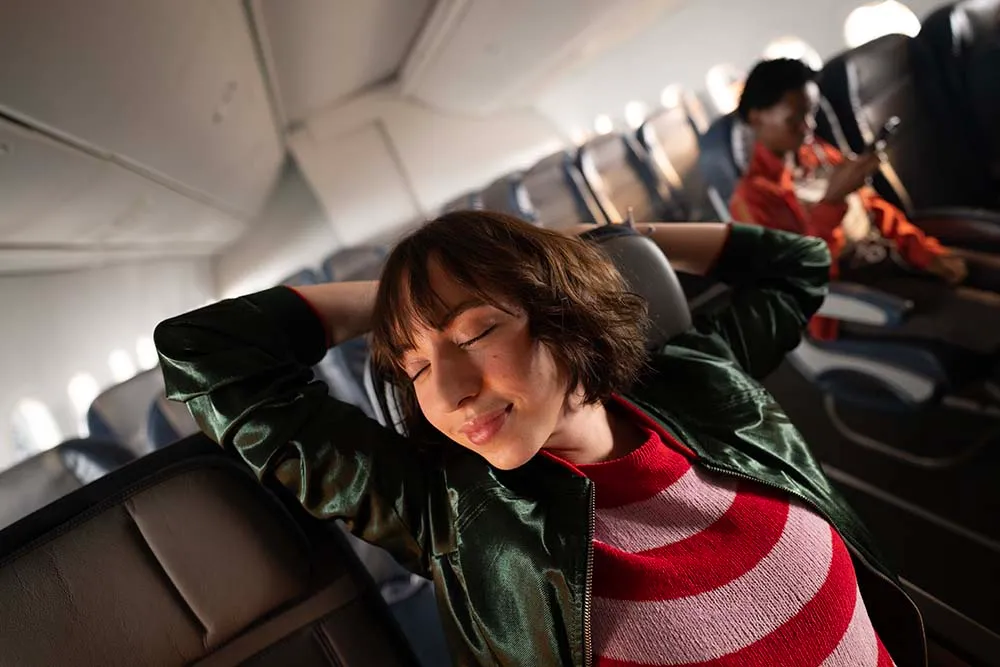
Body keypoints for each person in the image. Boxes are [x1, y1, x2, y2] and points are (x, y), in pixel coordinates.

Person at [155, 212, 921, 666]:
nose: (447, 391)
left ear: (564, 312)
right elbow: (206, 354)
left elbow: (796, 262)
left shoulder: (702, 383)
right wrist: (398, 299)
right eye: (414, 365)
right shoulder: (451, 512)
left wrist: (622, 241)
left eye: (476, 329)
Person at [730, 58, 1000, 353]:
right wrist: (831, 202)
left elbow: (874, 210)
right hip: (854, 292)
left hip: (885, 253)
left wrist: (925, 253)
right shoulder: (752, 201)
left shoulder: (815, 153)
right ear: (756, 119)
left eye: (811, 114)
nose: (808, 127)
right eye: (794, 120)